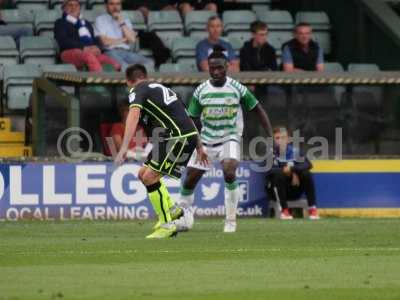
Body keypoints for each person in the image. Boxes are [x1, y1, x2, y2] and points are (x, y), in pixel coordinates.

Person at [177, 46, 273, 233]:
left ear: (227, 66)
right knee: (190, 179)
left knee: (229, 169)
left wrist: (270, 136)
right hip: (206, 140)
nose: (216, 71)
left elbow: (258, 109)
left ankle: (230, 221)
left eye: (219, 67)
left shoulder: (237, 88)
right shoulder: (201, 91)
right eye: (212, 68)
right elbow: (193, 120)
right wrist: (194, 144)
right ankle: (185, 219)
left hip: (230, 137)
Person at [114, 64, 207, 239]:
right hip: (176, 137)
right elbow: (189, 117)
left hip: (177, 137)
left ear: (128, 81)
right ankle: (174, 211)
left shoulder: (137, 90)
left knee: (150, 177)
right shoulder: (165, 90)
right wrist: (199, 146)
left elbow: (133, 115)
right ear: (146, 76)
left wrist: (124, 147)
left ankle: (167, 225)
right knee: (143, 174)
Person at [267, 126, 320, 220]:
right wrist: (287, 171)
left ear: (288, 139)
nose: (280, 141)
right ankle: (284, 211)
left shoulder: (295, 151)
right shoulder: (271, 153)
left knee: (306, 174)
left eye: (283, 138)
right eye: (277, 138)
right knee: (278, 174)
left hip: (295, 188)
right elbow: (270, 171)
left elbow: (308, 165)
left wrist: (292, 169)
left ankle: (312, 209)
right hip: (277, 192)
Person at [54, 0, 120, 72]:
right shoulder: (60, 22)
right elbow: (63, 41)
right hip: (68, 52)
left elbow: (95, 39)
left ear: (79, 8)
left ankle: (116, 82)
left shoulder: (86, 23)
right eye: (70, 5)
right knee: (88, 57)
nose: (73, 7)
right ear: (64, 8)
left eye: (76, 5)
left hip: (89, 52)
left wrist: (97, 47)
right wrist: (83, 48)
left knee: (113, 63)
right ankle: (97, 81)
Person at [95, 0, 153, 71]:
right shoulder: (100, 19)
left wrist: (121, 22)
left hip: (126, 52)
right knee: (125, 67)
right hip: (110, 52)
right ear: (106, 6)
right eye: (111, 4)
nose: (115, 7)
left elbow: (132, 39)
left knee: (150, 63)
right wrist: (125, 39)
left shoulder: (125, 20)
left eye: (118, 4)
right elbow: (105, 42)